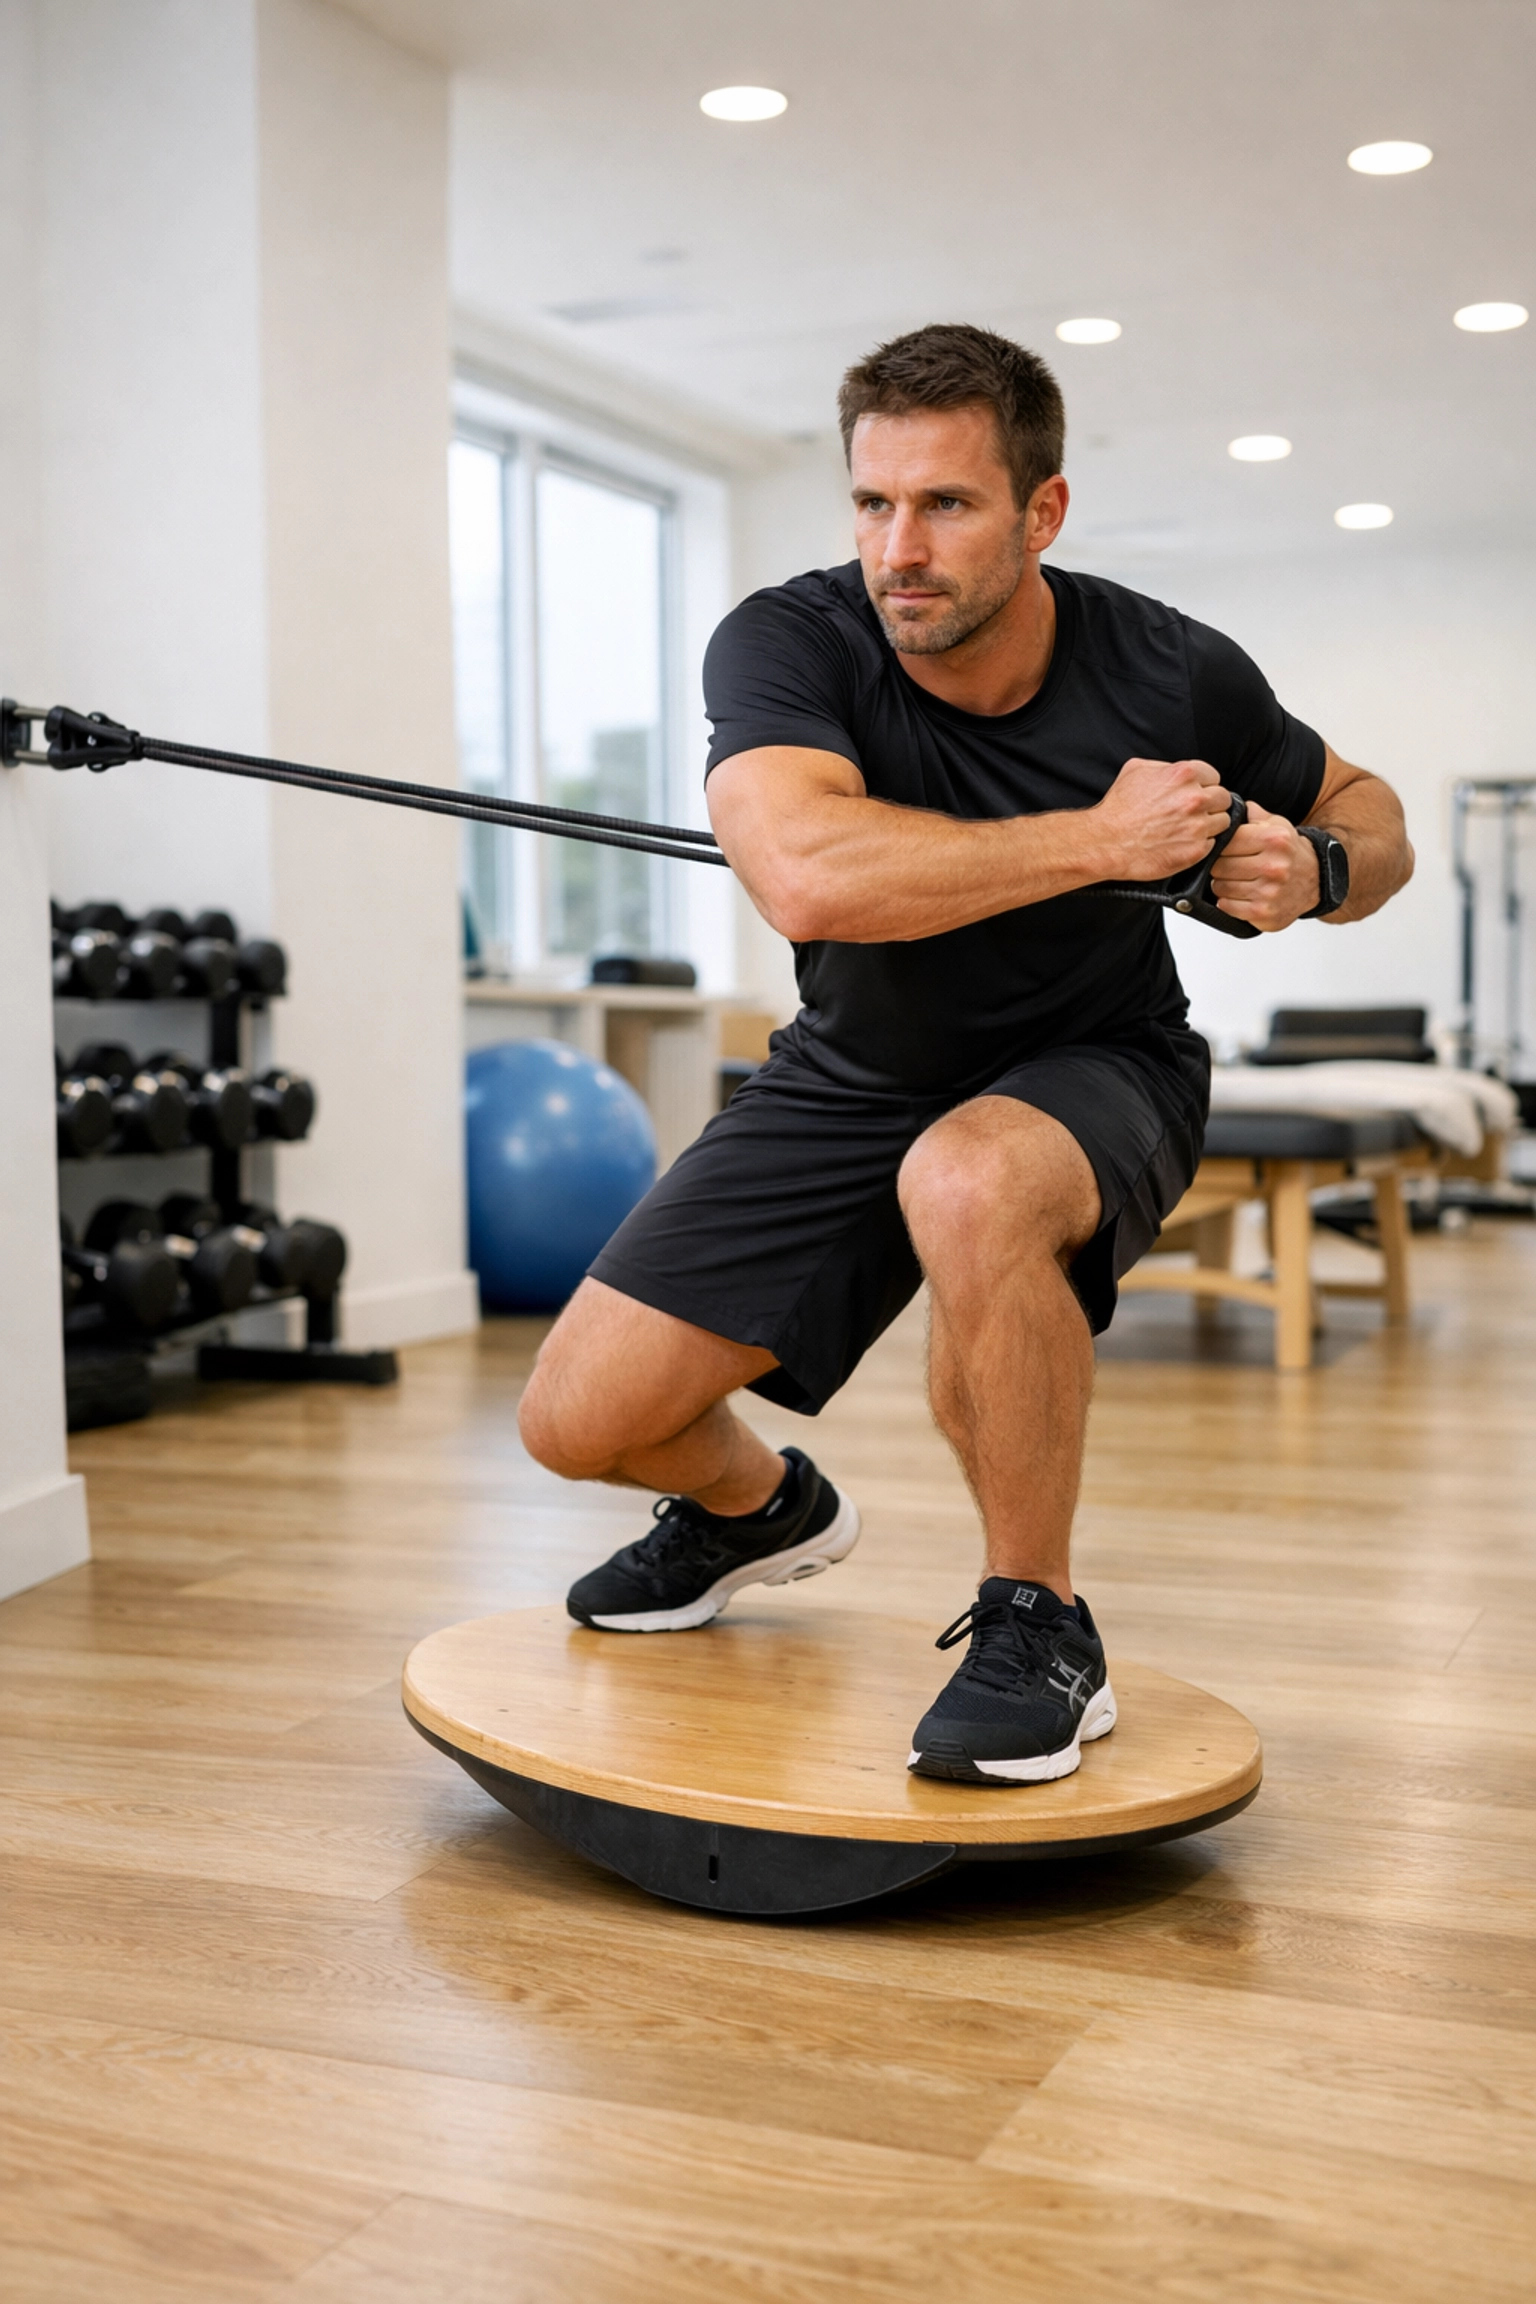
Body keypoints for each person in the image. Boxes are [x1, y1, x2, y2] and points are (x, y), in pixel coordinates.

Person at [518, 323, 1413, 1785]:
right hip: (853, 1064)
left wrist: (1314, 866)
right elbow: (806, 875)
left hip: (1094, 1058)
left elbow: (1377, 823)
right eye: (874, 504)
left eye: (946, 504)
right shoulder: (790, 639)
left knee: (970, 1177)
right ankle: (757, 1515)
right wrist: (1104, 843)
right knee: (577, 1419)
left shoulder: (1169, 668)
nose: (900, 548)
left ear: (1041, 512)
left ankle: (1040, 1620)